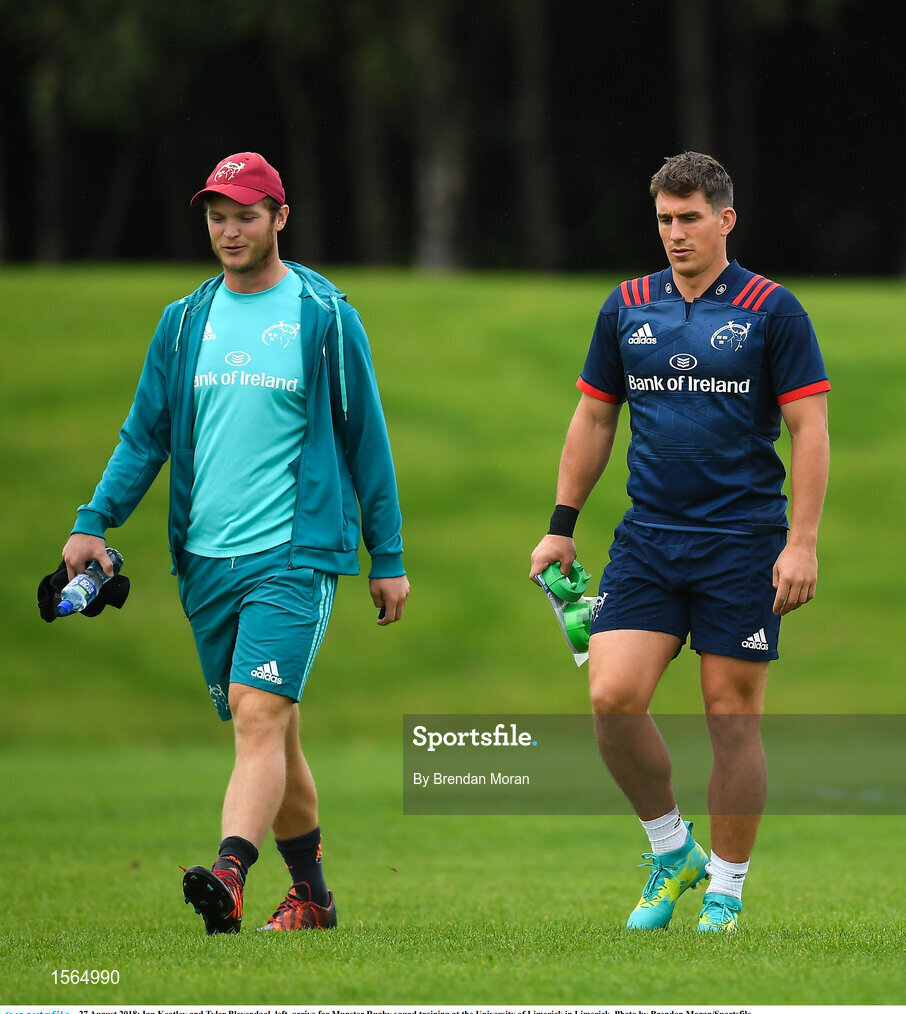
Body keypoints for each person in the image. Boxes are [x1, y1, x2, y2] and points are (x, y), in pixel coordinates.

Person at [61, 152, 410, 934]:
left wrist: (384, 558)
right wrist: (94, 521)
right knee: (274, 731)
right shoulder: (185, 321)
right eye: (217, 216)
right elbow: (144, 436)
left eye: (245, 215)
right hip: (205, 560)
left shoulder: (324, 315)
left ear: (280, 218)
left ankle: (229, 871)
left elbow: (368, 442)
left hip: (296, 554)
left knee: (258, 716)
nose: (229, 230)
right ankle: (313, 898)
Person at [529, 151, 829, 933]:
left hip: (743, 543)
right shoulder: (626, 306)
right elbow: (595, 418)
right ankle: (672, 849)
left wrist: (801, 542)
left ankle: (725, 889)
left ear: (725, 219)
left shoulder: (774, 311)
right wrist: (561, 528)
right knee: (610, 695)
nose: (675, 234)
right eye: (664, 220)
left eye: (690, 218)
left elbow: (810, 431)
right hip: (649, 540)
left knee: (731, 715)